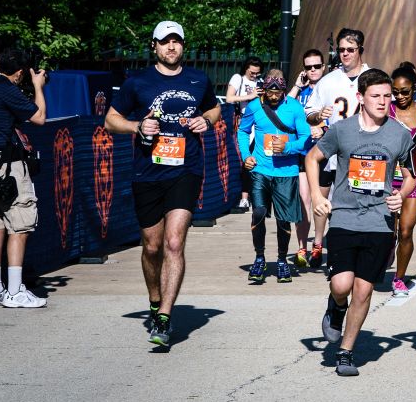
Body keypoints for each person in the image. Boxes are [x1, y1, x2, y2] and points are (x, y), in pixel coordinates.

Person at [105, 20, 221, 346]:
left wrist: (205, 120)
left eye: (176, 41)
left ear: (183, 45)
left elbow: (214, 108)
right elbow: (110, 119)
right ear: (153, 46)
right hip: (147, 172)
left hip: (187, 170)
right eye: (165, 42)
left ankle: (166, 318)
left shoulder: (198, 79)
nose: (171, 47)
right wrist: (136, 127)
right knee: (152, 246)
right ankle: (155, 301)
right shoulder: (137, 82)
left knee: (173, 243)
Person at [306, 69, 414, 376]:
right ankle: (336, 307)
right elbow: (312, 158)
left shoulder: (399, 133)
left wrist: (400, 195)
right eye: (375, 96)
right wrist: (316, 195)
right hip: (343, 217)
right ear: (361, 98)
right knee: (342, 285)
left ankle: (346, 352)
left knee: (364, 290)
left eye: (386, 96)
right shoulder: (342, 130)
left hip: (379, 222)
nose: (382, 102)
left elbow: (410, 176)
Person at [304, 28, 372, 270]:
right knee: (324, 201)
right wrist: (316, 116)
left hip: (364, 151)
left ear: (360, 50)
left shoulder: (373, 76)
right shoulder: (328, 81)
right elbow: (310, 113)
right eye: (341, 49)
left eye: (350, 49)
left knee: (357, 205)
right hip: (332, 152)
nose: (345, 54)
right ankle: (320, 244)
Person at [238, 71, 311, 283]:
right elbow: (243, 131)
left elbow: (306, 138)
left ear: (284, 90)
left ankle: (281, 260)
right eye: (270, 91)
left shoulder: (295, 107)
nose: (274, 95)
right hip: (261, 169)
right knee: (258, 213)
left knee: (283, 220)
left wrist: (288, 147)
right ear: (265, 89)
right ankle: (259, 257)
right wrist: (246, 156)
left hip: (286, 172)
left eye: (278, 91)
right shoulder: (254, 107)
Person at [0, 46, 47, 308]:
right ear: (18, 73)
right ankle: (14, 291)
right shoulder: (6, 88)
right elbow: (39, 117)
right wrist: (38, 85)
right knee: (20, 223)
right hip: (7, 165)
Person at [388, 63, 416, 297]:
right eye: (395, 92)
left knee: (405, 231)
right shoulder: (386, 112)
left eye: (405, 91)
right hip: (387, 179)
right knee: (388, 232)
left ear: (414, 89)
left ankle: (399, 278)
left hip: (414, 178)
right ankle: (387, 251)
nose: (400, 96)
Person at [288, 48, 326, 266]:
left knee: (319, 202)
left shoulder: (329, 88)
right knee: (303, 200)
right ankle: (301, 246)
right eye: (308, 67)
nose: (313, 70)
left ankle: (317, 245)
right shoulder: (300, 93)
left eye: (317, 66)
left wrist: (323, 129)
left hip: (324, 153)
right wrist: (296, 85)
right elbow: (280, 111)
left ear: (323, 67)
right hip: (302, 152)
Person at [228, 56, 264, 211]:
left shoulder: (260, 82)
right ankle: (240, 196)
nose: (255, 76)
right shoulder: (238, 79)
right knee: (241, 159)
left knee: (254, 160)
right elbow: (229, 98)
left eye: (257, 73)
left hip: (258, 125)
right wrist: (249, 96)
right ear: (246, 69)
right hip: (242, 123)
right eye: (252, 73)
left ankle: (249, 196)